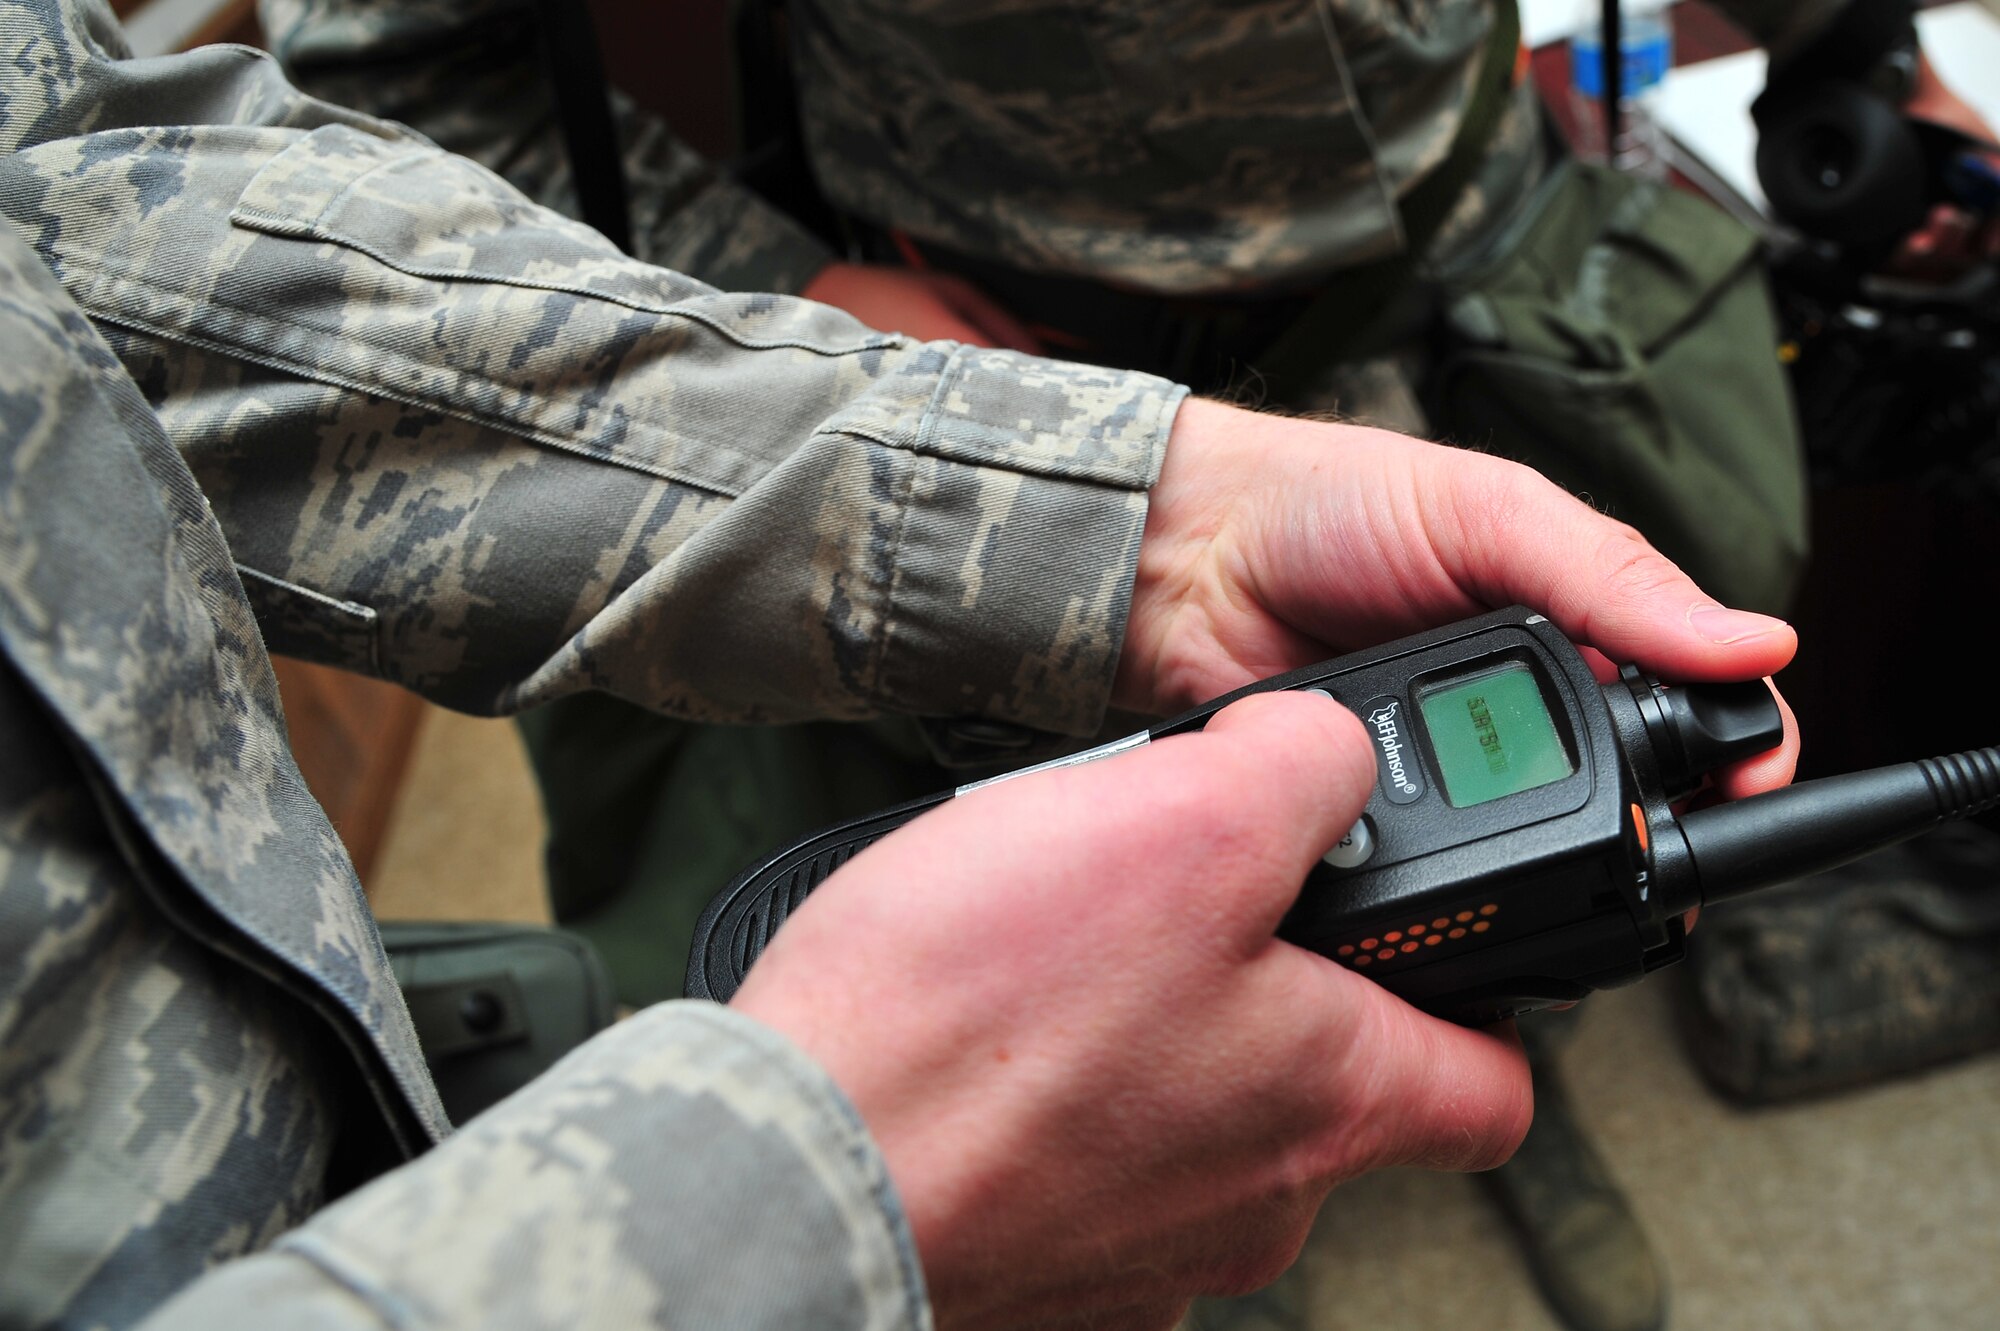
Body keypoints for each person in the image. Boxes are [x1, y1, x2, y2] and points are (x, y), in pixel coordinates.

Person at [0, 2, 1807, 1328]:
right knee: (1131, 1023)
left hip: (1402, 308)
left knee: (1449, 844)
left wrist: (1131, 514)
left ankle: (1477, 1071)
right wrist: (810, 1197)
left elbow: (76, 188)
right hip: (996, 316)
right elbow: (389, 74)